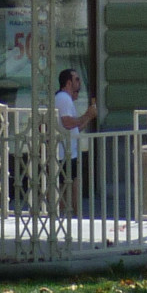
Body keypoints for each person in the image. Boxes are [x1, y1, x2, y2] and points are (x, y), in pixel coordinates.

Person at [55, 63, 98, 210]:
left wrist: (89, 117)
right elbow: (67, 123)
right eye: (77, 79)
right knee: (67, 187)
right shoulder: (63, 98)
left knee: (73, 184)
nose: (79, 83)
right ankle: (67, 215)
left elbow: (76, 127)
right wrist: (87, 114)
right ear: (68, 83)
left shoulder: (66, 99)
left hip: (70, 151)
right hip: (63, 152)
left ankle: (73, 213)